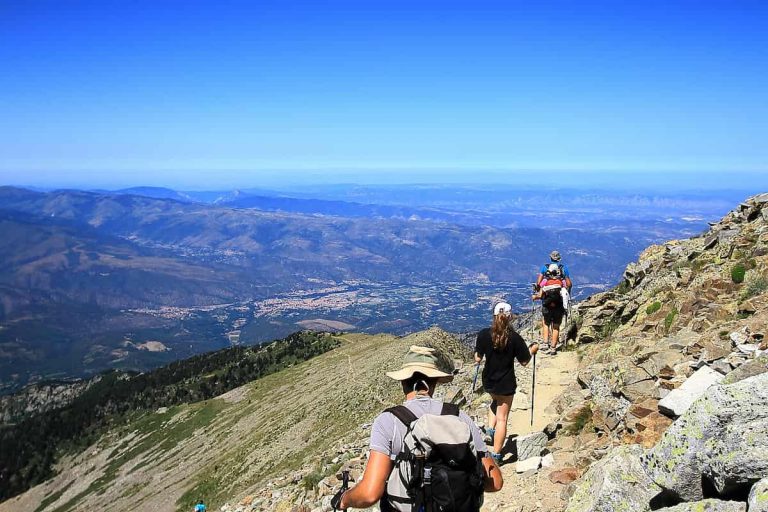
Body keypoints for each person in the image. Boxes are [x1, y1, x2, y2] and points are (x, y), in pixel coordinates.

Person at [333, 345, 503, 510]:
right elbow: (495, 482)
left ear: (403, 382)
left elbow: (369, 494)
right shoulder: (459, 417)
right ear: (435, 381)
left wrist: (343, 499)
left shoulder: (388, 421)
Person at [474, 302, 539, 461]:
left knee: (494, 402)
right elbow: (524, 361)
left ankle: (490, 430)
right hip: (506, 382)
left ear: (494, 316)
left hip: (489, 380)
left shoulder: (483, 334)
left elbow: (477, 358)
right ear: (509, 317)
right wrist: (533, 350)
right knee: (502, 418)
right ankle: (496, 455)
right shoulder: (515, 338)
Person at [534, 250, 572, 354]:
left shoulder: (544, 268)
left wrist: (539, 292)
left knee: (546, 322)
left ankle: (545, 342)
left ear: (550, 258)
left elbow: (538, 283)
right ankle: (553, 347)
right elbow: (569, 283)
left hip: (546, 301)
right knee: (556, 325)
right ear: (559, 258)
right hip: (559, 302)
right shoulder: (563, 269)